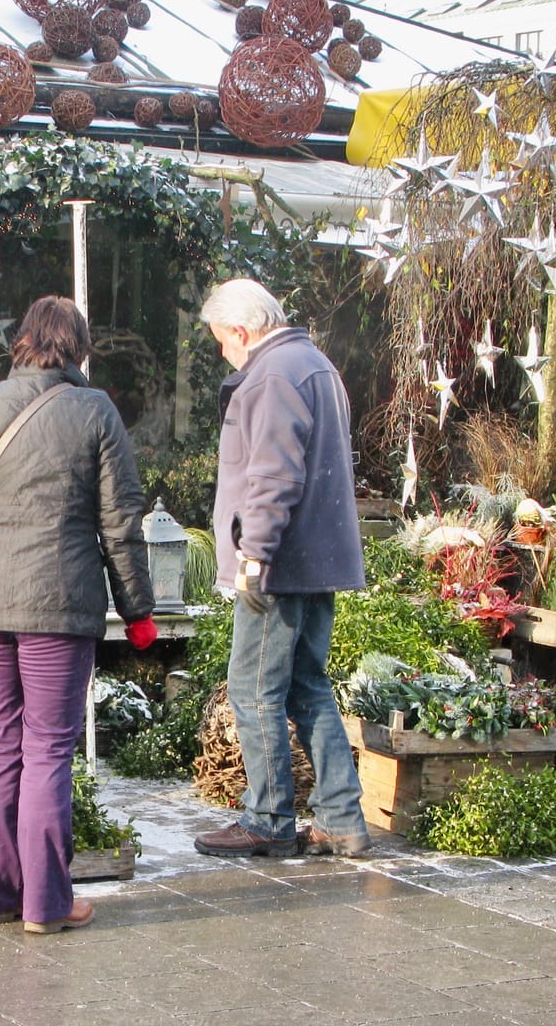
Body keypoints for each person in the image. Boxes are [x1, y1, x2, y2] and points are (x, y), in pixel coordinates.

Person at [0, 295, 156, 934]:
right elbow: (121, 522)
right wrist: (138, 610)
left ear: (23, 341)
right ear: (79, 348)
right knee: (48, 748)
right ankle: (47, 905)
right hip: (59, 603)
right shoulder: (95, 410)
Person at [192, 278, 371, 859]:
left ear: (241, 331)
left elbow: (273, 475)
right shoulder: (315, 365)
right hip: (316, 562)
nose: (223, 351)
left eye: (221, 340)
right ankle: (342, 819)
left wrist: (254, 554)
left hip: (279, 567)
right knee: (306, 687)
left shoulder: (272, 374)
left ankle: (268, 819)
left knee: (254, 691)